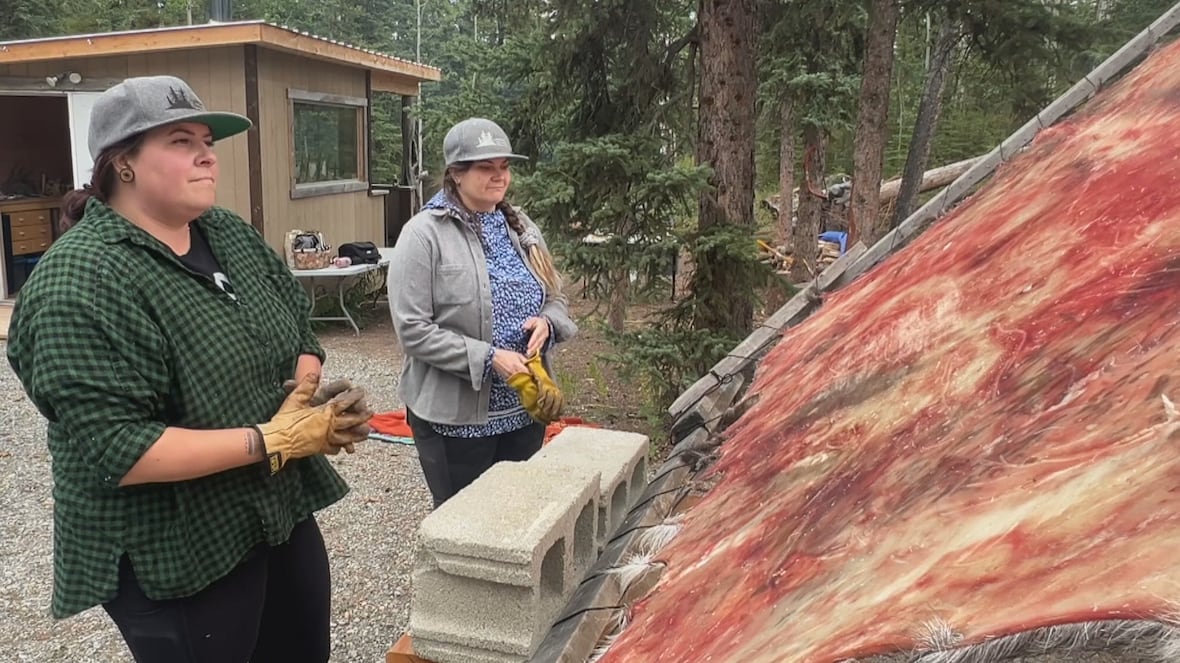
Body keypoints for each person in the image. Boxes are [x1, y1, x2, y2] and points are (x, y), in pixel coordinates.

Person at [5, 75, 372, 663]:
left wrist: (305, 403)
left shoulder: (226, 234)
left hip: (270, 509)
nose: (207, 153)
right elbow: (121, 449)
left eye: (207, 139)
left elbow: (297, 329)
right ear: (121, 162)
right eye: (180, 141)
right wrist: (274, 438)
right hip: (172, 545)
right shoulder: (80, 280)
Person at [388, 117, 577, 509]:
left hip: (525, 411)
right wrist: (490, 358)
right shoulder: (423, 235)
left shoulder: (521, 226)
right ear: (456, 174)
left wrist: (548, 323)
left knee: (515, 515)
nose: (499, 176)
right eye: (485, 168)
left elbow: (556, 296)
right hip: (455, 422)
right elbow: (413, 331)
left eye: (504, 167)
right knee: (463, 520)